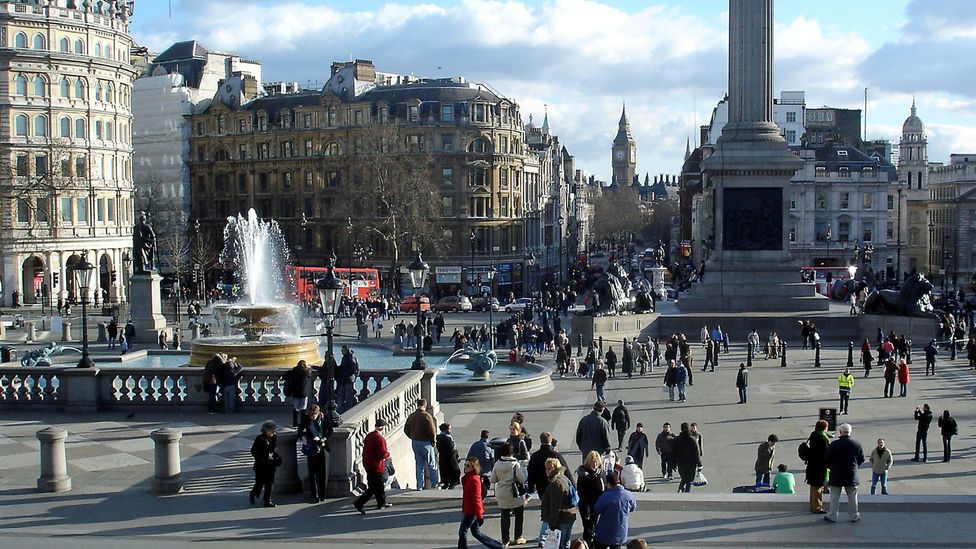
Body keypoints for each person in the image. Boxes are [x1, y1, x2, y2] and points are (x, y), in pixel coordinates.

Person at [527, 431, 568, 546]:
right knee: (551, 511)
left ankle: (544, 536)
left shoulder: (535, 455)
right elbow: (566, 471)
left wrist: (530, 488)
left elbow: (530, 474)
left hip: (541, 488)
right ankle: (544, 537)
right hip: (555, 487)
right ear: (550, 440)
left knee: (546, 509)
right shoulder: (555, 455)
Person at [458, 457, 504, 549]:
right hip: (469, 509)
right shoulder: (468, 478)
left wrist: (479, 515)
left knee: (463, 531)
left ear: (474, 467)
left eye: (468, 466)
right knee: (476, 532)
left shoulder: (474, 480)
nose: (465, 467)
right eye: (465, 465)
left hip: (472, 511)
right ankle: (497, 546)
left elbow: (477, 498)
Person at [824, 423, 865, 523]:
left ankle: (832, 515)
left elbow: (827, 460)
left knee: (834, 496)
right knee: (852, 496)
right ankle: (854, 515)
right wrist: (854, 467)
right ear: (850, 432)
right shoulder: (856, 444)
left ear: (840, 432)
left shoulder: (833, 445)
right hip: (851, 474)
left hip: (836, 474)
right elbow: (861, 459)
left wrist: (832, 467)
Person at [489, 443, 528, 547]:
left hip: (502, 492)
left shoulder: (497, 463)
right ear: (512, 452)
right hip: (515, 493)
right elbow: (522, 479)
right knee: (519, 515)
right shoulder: (515, 464)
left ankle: (505, 540)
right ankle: (517, 537)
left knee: (504, 515)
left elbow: (492, 479)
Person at [354, 419, 392, 514]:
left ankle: (381, 502)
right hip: (376, 465)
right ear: (382, 428)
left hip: (367, 464)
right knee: (374, 487)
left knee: (378, 485)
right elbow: (382, 454)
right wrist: (388, 454)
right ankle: (359, 503)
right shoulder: (380, 439)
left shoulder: (369, 435)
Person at [592, 471, 637, 549]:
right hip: (620, 530)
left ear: (608, 483)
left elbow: (597, 509)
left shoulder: (606, 496)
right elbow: (633, 507)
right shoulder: (629, 495)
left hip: (605, 531)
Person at [297, 404, 333, 502]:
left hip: (323, 446)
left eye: (313, 416)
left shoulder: (325, 418)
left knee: (323, 472)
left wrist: (323, 439)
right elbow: (300, 429)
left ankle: (323, 494)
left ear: (318, 413)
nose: (311, 417)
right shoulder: (306, 418)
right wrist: (303, 437)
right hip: (311, 446)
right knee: (312, 472)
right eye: (310, 416)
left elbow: (330, 431)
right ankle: (314, 495)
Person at [541, 457, 577, 549]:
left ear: (555, 468)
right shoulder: (564, 478)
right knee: (566, 543)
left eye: (549, 468)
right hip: (570, 515)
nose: (547, 471)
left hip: (562, 518)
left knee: (560, 545)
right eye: (546, 468)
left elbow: (555, 506)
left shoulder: (556, 483)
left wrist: (552, 525)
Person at [404, 398, 439, 490]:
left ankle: (419, 485)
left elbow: (406, 430)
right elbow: (432, 431)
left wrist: (412, 436)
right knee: (431, 464)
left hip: (415, 442)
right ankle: (434, 483)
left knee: (419, 464)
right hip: (426, 443)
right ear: (425, 406)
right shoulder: (427, 416)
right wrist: (433, 441)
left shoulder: (412, 416)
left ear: (417, 405)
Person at [249, 420, 280, 507]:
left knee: (269, 483)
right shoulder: (260, 438)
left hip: (270, 465)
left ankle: (267, 501)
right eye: (272, 431)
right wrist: (262, 457)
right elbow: (253, 451)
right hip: (261, 466)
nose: (274, 432)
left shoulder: (274, 438)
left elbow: (274, 449)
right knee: (260, 482)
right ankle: (253, 493)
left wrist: (276, 457)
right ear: (266, 430)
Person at [576, 451, 605, 546]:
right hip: (586, 505)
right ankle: (587, 545)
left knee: (595, 527)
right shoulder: (584, 475)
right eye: (592, 462)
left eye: (597, 462)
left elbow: (604, 488)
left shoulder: (601, 473)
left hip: (597, 504)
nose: (595, 464)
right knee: (588, 527)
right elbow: (581, 493)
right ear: (588, 462)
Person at [804, 419, 831, 514]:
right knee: (818, 487)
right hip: (819, 467)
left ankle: (812, 505)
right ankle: (817, 507)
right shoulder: (822, 439)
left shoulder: (814, 435)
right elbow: (825, 454)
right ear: (824, 428)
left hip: (812, 465)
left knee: (813, 487)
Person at [672, 422, 701, 493]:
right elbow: (696, 453)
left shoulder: (677, 439)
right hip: (691, 463)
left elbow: (673, 452)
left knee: (684, 477)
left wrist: (673, 463)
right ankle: (687, 493)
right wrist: (699, 463)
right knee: (690, 479)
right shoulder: (692, 440)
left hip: (681, 462)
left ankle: (680, 488)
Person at [284, 360, 311, 427]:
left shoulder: (293, 371)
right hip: (303, 393)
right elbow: (310, 375)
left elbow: (285, 376)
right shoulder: (305, 371)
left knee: (296, 408)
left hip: (295, 392)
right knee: (303, 408)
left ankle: (295, 422)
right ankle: (302, 422)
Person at [437, 423, 462, 489]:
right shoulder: (448, 438)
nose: (450, 430)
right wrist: (457, 456)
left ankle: (446, 484)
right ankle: (451, 485)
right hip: (451, 458)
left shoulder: (439, 437)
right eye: (449, 429)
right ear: (446, 430)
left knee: (445, 472)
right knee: (455, 471)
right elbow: (452, 449)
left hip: (443, 458)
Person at [336, 345, 360, 414]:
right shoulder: (345, 357)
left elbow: (353, 370)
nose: (341, 352)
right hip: (344, 379)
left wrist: (344, 374)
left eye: (342, 350)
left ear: (346, 350)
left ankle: (348, 410)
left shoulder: (351, 358)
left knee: (348, 396)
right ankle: (341, 410)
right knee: (342, 395)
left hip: (348, 380)